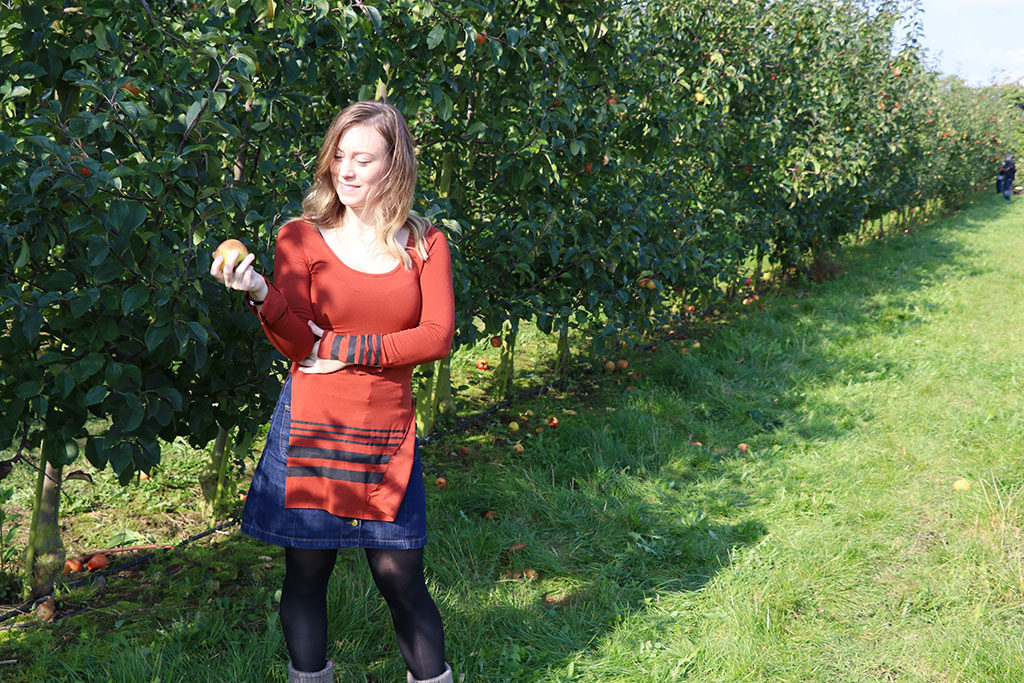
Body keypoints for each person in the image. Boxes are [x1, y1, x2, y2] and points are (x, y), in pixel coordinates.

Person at [210, 99, 455, 683]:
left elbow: (436, 337)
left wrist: (342, 348)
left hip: (386, 429)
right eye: (339, 156)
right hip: (315, 422)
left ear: (394, 165)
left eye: (363, 159)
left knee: (400, 576)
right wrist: (259, 292)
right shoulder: (300, 238)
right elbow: (297, 342)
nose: (345, 170)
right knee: (306, 572)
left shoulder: (424, 242)